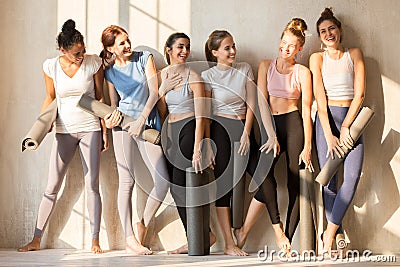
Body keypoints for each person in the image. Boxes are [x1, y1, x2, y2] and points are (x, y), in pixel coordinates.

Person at [17, 19, 108, 254]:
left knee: (92, 186)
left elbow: (100, 99)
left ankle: (95, 240)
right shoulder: (50, 66)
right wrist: (41, 125)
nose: (81, 55)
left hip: (91, 128)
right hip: (63, 130)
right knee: (52, 187)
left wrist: (105, 131)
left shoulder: (94, 64)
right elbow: (49, 98)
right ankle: (36, 239)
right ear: (63, 50)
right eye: (76, 53)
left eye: (83, 50)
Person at [233, 18, 314, 254]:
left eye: (291, 46)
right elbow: (261, 102)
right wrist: (270, 136)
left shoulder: (303, 72)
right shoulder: (265, 65)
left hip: (294, 123)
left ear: (299, 49)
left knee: (294, 182)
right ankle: (273, 230)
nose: (285, 48)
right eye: (283, 43)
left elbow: (307, 110)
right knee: (263, 173)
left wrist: (308, 145)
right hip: (271, 124)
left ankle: (287, 239)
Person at [100, 25, 170, 255]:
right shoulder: (109, 72)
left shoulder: (144, 58)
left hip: (147, 124)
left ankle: (143, 223)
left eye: (128, 40)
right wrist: (110, 121)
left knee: (163, 182)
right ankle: (130, 238)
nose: (128, 45)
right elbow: (113, 104)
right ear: (111, 49)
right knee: (126, 181)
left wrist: (142, 120)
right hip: (123, 127)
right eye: (121, 43)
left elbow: (154, 92)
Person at [202, 30, 271, 256]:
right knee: (223, 188)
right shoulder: (208, 76)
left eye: (233, 46)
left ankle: (242, 232)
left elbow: (252, 102)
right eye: (227, 48)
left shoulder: (244, 69)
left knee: (266, 182)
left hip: (243, 129)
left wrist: (246, 133)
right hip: (220, 130)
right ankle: (228, 244)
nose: (233, 51)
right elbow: (208, 113)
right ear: (215, 53)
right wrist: (209, 144)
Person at [309, 8, 365, 256]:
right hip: (325, 120)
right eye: (323, 31)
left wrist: (346, 127)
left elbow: (360, 94)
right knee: (329, 181)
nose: (328, 34)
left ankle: (328, 234)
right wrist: (329, 132)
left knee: (352, 177)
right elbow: (319, 97)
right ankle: (335, 234)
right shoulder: (316, 58)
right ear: (319, 37)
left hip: (352, 121)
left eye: (332, 29)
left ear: (340, 31)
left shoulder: (354, 54)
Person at [157, 32, 215, 254]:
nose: (184, 51)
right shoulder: (163, 75)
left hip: (189, 130)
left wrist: (199, 147)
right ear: (169, 50)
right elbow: (162, 112)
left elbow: (201, 116)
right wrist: (162, 91)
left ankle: (200, 236)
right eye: (180, 47)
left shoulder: (194, 77)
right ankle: (200, 235)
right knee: (176, 188)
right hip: (170, 133)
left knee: (185, 186)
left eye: (187, 47)